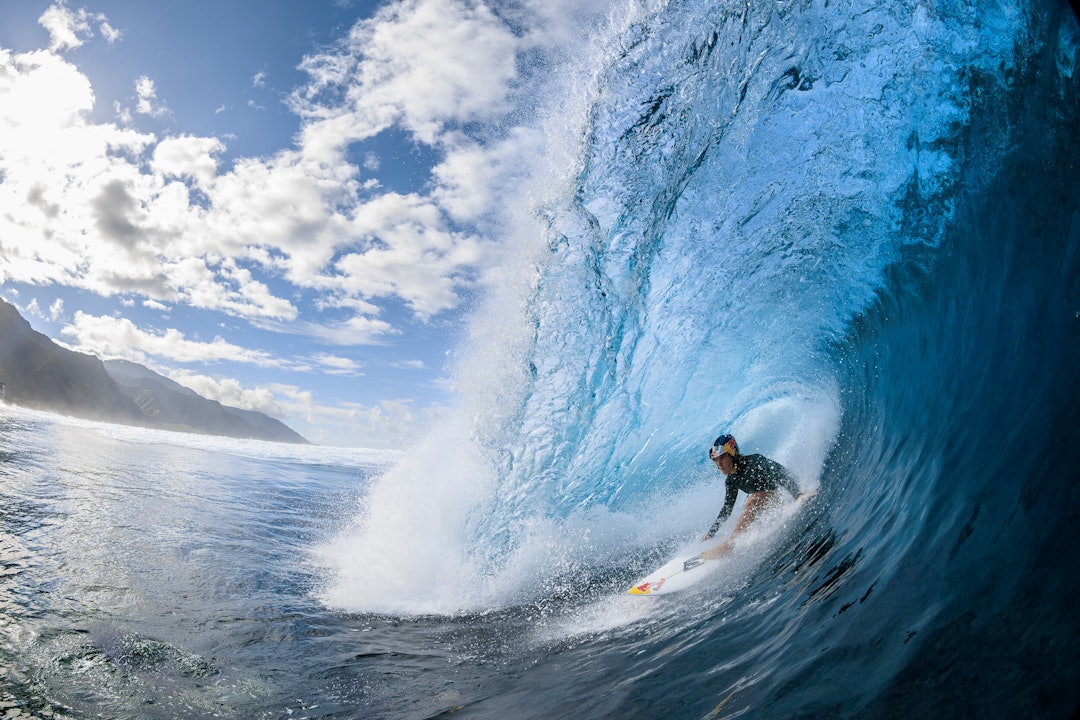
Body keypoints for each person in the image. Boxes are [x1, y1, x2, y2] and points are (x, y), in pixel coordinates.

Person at [699, 434, 802, 559]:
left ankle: (730, 545)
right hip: (768, 505)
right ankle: (739, 538)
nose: (719, 464)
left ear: (733, 454)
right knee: (750, 502)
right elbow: (727, 508)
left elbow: (780, 474)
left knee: (753, 500)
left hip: (781, 495)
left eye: (722, 458)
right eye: (715, 459)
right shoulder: (731, 480)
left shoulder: (754, 461)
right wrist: (710, 534)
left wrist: (798, 495)